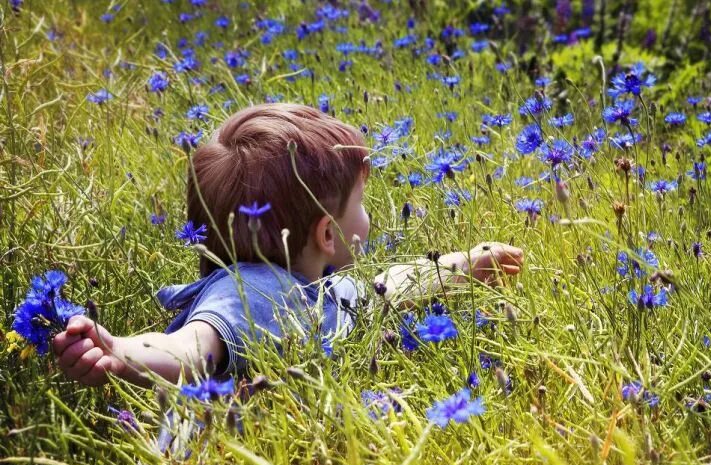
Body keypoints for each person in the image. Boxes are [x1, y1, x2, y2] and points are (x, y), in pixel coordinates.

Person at [51, 103, 524, 388]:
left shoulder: (313, 286)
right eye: (358, 204)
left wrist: (462, 265)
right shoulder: (252, 292)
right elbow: (192, 348)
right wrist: (124, 352)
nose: (369, 215)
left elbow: (382, 287)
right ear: (325, 235)